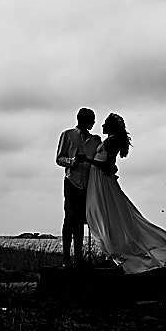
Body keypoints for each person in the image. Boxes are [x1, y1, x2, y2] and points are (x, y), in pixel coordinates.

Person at [85, 113, 166, 273]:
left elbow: (106, 165)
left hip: (102, 181)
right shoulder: (109, 140)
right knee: (107, 214)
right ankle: (114, 251)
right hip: (99, 180)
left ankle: (124, 249)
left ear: (111, 126)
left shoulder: (111, 141)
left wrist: (86, 160)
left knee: (109, 214)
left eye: (105, 123)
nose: (102, 125)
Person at [55, 108, 101, 267]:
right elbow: (59, 158)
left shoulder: (95, 141)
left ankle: (79, 258)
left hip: (88, 185)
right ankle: (66, 258)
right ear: (83, 120)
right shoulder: (67, 135)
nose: (94, 123)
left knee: (81, 220)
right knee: (69, 219)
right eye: (92, 120)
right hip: (71, 182)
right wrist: (73, 161)